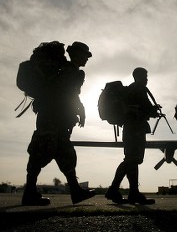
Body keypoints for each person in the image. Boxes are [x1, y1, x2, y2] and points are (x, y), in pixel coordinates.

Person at [21, 41, 96, 206]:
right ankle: (29, 192)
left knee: (65, 153)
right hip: (52, 118)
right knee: (41, 152)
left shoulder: (70, 71)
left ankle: (75, 191)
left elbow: (71, 94)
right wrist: (76, 111)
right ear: (76, 54)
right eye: (85, 55)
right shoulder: (69, 71)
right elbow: (66, 94)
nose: (87, 59)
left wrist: (80, 110)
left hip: (56, 118)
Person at [105, 67, 159, 205]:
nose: (147, 79)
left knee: (131, 160)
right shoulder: (138, 88)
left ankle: (127, 191)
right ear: (138, 76)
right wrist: (154, 110)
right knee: (132, 160)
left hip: (130, 128)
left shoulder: (130, 89)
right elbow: (146, 108)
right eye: (145, 76)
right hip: (135, 128)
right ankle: (122, 190)